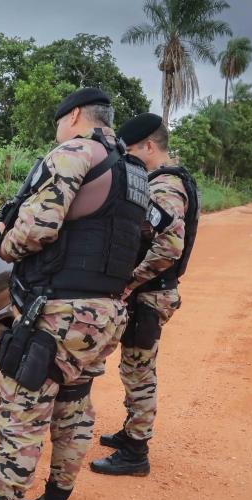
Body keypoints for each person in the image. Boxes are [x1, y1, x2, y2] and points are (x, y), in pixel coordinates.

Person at [0, 88, 149, 500]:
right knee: (74, 407)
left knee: (22, 417)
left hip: (59, 313)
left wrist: (6, 242)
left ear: (73, 115)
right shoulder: (134, 170)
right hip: (103, 316)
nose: (57, 132)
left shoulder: (76, 152)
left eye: (59, 122)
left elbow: (36, 231)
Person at [90, 112, 200, 477]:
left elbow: (169, 247)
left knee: (139, 372)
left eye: (134, 150)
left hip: (150, 294)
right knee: (133, 368)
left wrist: (131, 282)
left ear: (149, 147)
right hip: (151, 293)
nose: (129, 158)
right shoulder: (166, 180)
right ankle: (130, 433)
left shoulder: (165, 186)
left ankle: (136, 452)